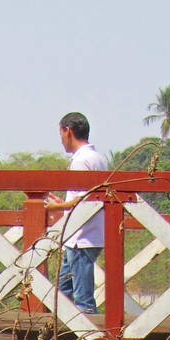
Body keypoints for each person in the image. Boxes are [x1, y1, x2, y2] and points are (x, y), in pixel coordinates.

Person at [45, 112, 109, 315]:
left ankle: (88, 338)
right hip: (89, 234)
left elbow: (84, 202)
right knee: (63, 293)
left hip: (81, 237)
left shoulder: (81, 161)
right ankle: (61, 332)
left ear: (68, 131)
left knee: (83, 301)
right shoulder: (97, 158)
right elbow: (89, 198)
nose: (61, 140)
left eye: (61, 134)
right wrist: (64, 204)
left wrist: (57, 208)